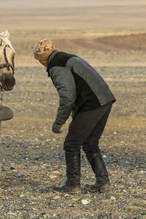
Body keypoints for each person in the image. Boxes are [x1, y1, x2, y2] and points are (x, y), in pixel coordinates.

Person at [33, 39, 116, 193]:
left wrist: (59, 122)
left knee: (71, 144)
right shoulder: (68, 57)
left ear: (40, 60)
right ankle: (103, 183)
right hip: (105, 100)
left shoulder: (57, 66)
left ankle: (73, 185)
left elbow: (67, 97)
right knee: (90, 143)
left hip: (92, 104)